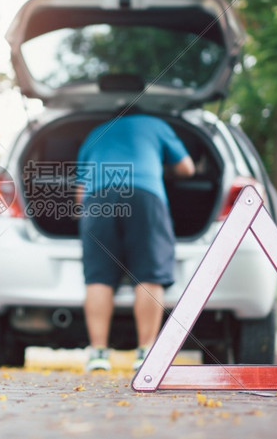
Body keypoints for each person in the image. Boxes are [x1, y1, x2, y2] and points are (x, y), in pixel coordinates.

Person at [75, 106, 195, 372]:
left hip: (97, 199)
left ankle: (97, 354)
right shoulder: (156, 124)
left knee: (98, 278)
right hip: (144, 194)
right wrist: (164, 171)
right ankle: (146, 353)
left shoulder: (94, 134)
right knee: (148, 274)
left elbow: (79, 196)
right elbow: (187, 168)